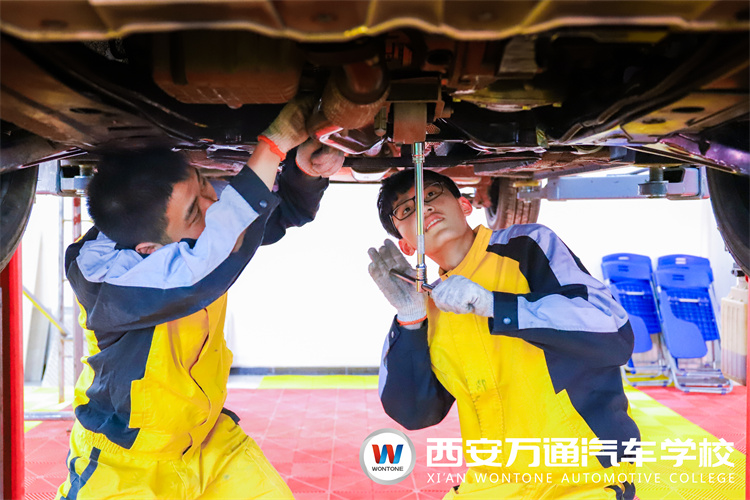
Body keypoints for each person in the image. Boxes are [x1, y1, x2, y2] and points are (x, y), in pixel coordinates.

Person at [55, 97, 344, 500]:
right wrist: (271, 147)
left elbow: (261, 218)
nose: (214, 206)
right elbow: (204, 263)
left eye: (205, 185)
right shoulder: (109, 284)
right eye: (195, 212)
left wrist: (304, 171)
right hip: (127, 464)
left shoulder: (178, 224)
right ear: (149, 250)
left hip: (207, 441)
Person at [367, 169, 640, 500]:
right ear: (406, 245)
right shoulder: (427, 310)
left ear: (465, 205)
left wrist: (496, 305)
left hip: (584, 477)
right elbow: (414, 413)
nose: (424, 208)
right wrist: (410, 320)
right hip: (492, 485)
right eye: (406, 210)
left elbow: (613, 330)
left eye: (432, 195)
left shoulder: (528, 247)